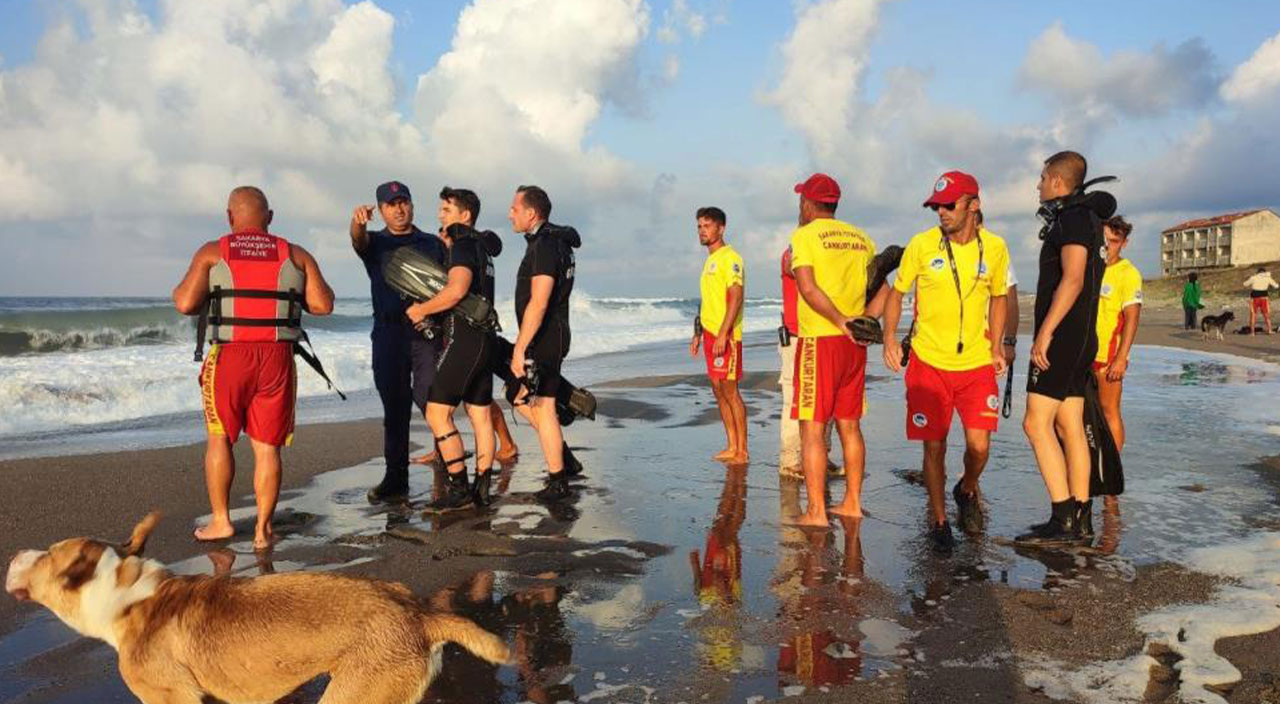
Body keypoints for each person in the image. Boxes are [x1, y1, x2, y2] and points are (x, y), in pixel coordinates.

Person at [173, 186, 335, 549]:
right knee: (267, 449)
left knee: (219, 438)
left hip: (230, 357)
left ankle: (221, 521)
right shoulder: (295, 253)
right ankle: (263, 531)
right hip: (277, 358)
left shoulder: (214, 252)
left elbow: (185, 303)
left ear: (230, 217)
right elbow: (323, 306)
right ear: (270, 218)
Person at [882, 171, 1009, 551]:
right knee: (934, 446)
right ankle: (939, 522)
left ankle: (967, 489)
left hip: (975, 365)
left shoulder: (996, 248)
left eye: (949, 205)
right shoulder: (922, 245)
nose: (940, 212)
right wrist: (890, 337)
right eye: (936, 205)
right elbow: (897, 293)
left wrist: (997, 346)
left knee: (980, 447)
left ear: (974, 205)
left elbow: (999, 296)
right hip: (928, 363)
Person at [1018, 151, 1114, 544]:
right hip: (1081, 339)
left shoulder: (1073, 219)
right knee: (1069, 423)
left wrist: (1045, 334)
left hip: (1065, 338)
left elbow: (1073, 280)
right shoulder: (1089, 219)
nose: (1038, 185)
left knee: (1035, 423)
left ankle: (1062, 519)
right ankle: (1081, 514)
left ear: (1058, 181)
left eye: (1042, 178)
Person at [784, 173, 879, 528]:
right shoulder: (861, 238)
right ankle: (852, 502)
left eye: (801, 200)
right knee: (850, 427)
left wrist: (839, 320)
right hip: (854, 344)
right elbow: (882, 289)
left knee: (812, 428)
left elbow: (807, 288)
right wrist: (863, 321)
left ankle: (816, 511)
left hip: (820, 340)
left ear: (808, 203)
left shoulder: (804, 236)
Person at [405, 187, 504, 510]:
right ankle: (482, 490)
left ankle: (460, 489)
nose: (440, 215)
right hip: (485, 340)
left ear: (465, 216)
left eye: (446, 210)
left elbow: (457, 291)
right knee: (479, 415)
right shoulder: (482, 249)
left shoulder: (463, 244)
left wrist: (422, 310)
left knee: (437, 413)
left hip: (466, 340)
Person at [350, 181, 447, 504]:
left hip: (425, 335)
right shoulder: (375, 243)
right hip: (388, 335)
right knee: (395, 410)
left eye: (404, 202)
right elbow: (358, 239)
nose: (399, 208)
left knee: (431, 401)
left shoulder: (432, 243)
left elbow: (447, 288)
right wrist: (357, 223)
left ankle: (449, 465)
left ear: (412, 205)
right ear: (381, 210)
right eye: (391, 204)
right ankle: (396, 477)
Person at [507, 185, 583, 502]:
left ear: (531, 213)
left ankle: (557, 481)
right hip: (555, 333)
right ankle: (564, 458)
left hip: (546, 335)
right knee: (517, 395)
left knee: (543, 405)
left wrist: (519, 348)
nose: (510, 213)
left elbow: (538, 303)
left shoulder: (545, 246)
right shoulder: (554, 241)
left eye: (515, 208)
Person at [689, 207, 748, 464]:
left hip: (728, 335)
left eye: (707, 225)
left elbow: (736, 296)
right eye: (700, 226)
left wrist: (724, 333)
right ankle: (731, 445)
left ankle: (742, 451)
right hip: (711, 334)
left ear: (721, 228)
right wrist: (698, 332)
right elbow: (708, 301)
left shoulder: (730, 258)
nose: (702, 230)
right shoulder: (709, 261)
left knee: (730, 390)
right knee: (717, 389)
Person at [1093, 215, 1142, 512]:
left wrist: (1122, 357)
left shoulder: (1128, 273)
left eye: (1113, 242)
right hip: (1081, 354)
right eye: (1105, 240)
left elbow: (1133, 318)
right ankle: (1087, 467)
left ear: (1124, 243)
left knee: (1110, 411)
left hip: (1108, 356)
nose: (1108, 246)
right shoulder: (1090, 266)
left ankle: (1111, 473)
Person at [1244, 267, 1278, 334]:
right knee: (1266, 315)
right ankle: (1270, 330)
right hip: (1264, 298)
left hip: (1254, 298)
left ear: (1258, 272)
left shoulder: (1253, 277)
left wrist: (1252, 277)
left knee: (1253, 315)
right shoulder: (1268, 278)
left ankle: (1252, 332)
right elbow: (1276, 286)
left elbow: (1245, 284)